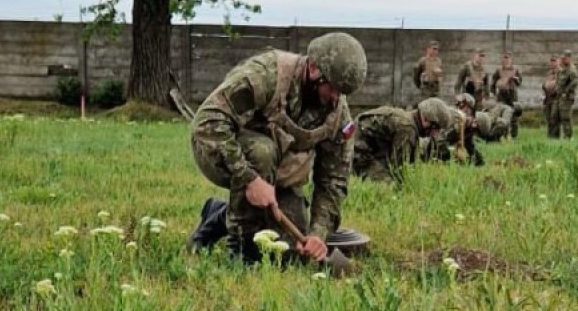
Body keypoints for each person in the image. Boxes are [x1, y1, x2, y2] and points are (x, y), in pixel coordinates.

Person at [188, 32, 367, 263]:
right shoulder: (266, 75)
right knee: (263, 151)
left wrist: (318, 234)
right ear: (313, 69)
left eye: (341, 93)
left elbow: (333, 180)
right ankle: (241, 248)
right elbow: (207, 123)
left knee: (290, 253)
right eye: (331, 88)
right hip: (220, 153)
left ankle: (219, 215)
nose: (335, 98)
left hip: (280, 177)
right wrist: (249, 178)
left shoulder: (338, 116)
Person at [351, 98, 451, 182]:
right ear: (425, 119)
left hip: (370, 145)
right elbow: (399, 168)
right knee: (388, 185)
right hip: (358, 149)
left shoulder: (409, 120)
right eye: (436, 128)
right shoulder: (407, 128)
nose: (435, 134)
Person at [422, 93, 485, 166]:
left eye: (464, 106)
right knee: (445, 154)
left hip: (438, 143)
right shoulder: (451, 116)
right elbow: (439, 138)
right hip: (428, 144)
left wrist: (478, 160)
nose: (460, 108)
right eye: (460, 105)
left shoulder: (466, 122)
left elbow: (469, 144)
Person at [490, 51, 523, 138]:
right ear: (502, 60)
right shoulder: (498, 70)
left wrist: (515, 79)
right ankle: (500, 135)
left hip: (512, 95)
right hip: (502, 95)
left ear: (511, 59)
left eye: (508, 58)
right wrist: (493, 93)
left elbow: (520, 82)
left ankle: (514, 136)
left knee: (514, 116)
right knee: (501, 115)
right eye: (504, 58)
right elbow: (493, 83)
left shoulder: (515, 70)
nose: (506, 60)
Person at [552, 49, 578, 139]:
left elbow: (574, 83)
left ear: (569, 59)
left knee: (565, 117)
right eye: (562, 58)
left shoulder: (572, 70)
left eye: (565, 58)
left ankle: (568, 137)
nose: (563, 60)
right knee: (554, 116)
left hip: (567, 98)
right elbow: (558, 81)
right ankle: (554, 137)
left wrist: (565, 92)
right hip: (558, 97)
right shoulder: (562, 69)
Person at [542, 54, 560, 138]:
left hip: (556, 98)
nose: (553, 63)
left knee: (554, 117)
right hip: (547, 98)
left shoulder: (561, 73)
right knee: (548, 118)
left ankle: (555, 136)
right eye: (551, 61)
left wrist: (555, 90)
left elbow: (561, 85)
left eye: (554, 61)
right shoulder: (548, 73)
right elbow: (544, 84)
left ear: (558, 61)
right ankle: (550, 136)